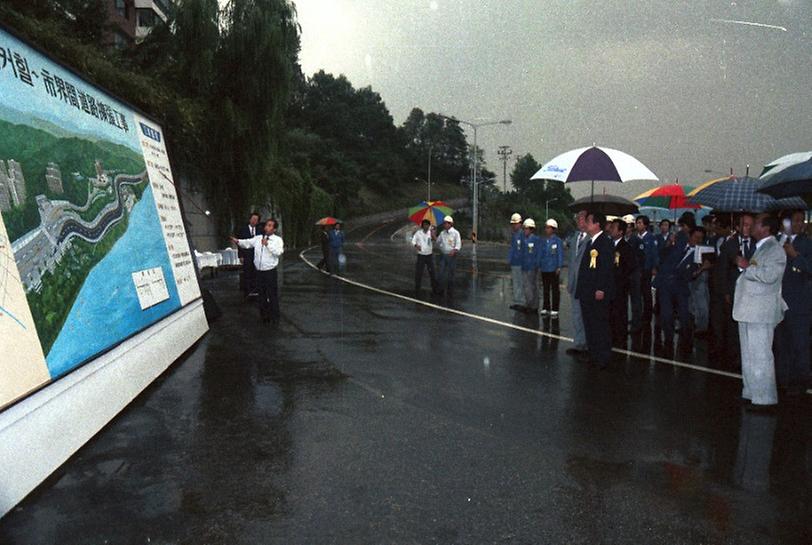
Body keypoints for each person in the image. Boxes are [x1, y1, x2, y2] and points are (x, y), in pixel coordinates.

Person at [733, 214, 787, 410]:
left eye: (755, 223)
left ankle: (765, 398)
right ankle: (751, 392)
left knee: (761, 355)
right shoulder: (761, 248)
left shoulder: (775, 249)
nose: (751, 226)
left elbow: (770, 275)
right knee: (748, 354)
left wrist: (747, 266)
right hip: (748, 309)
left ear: (765, 228)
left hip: (761, 311)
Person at [775, 210, 812, 397]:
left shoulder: (807, 243)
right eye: (795, 220)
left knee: (800, 344)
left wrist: (795, 256)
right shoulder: (776, 241)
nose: (800, 224)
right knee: (782, 344)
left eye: (801, 220)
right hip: (778, 302)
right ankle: (783, 380)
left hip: (799, 303)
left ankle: (801, 380)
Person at [654, 226, 708, 349]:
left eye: (700, 238)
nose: (698, 240)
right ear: (690, 236)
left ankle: (686, 341)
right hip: (665, 284)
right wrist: (668, 243)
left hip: (681, 286)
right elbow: (662, 255)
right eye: (696, 237)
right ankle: (668, 340)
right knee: (666, 314)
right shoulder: (678, 243)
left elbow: (692, 275)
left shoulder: (701, 254)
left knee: (684, 315)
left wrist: (701, 268)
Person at [575, 211, 615, 368]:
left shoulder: (605, 242)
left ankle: (602, 357)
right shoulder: (591, 242)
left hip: (597, 292)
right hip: (587, 292)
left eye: (589, 221)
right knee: (589, 324)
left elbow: (606, 268)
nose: (586, 224)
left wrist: (601, 288)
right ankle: (593, 355)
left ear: (597, 224)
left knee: (599, 325)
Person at [717, 213, 755, 366]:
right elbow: (723, 270)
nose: (748, 228)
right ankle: (733, 356)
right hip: (734, 289)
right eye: (745, 225)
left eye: (750, 225)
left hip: (752, 290)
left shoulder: (758, 244)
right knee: (733, 325)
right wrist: (726, 291)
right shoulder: (730, 244)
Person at [231, 218, 284, 325]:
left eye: (270, 226)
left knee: (272, 294)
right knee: (262, 294)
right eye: (266, 225)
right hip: (259, 271)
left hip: (270, 271)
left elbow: (278, 252)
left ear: (274, 229)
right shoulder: (258, 238)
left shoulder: (277, 240)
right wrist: (238, 241)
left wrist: (268, 244)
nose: (267, 227)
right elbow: (247, 243)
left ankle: (275, 316)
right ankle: (264, 316)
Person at [565, 210, 590, 356]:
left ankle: (587, 344)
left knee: (586, 314)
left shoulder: (591, 239)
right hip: (574, 283)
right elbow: (572, 261)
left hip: (586, 284)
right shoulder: (575, 237)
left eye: (581, 219)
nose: (578, 221)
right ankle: (579, 343)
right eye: (577, 218)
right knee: (576, 314)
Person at [609, 218, 635, 348]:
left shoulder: (626, 248)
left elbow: (630, 267)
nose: (611, 230)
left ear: (620, 232)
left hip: (620, 285)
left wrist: (621, 279)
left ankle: (620, 337)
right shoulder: (608, 245)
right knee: (610, 311)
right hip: (609, 284)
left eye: (613, 228)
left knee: (620, 311)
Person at [631, 215, 658, 332]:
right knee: (636, 294)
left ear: (646, 225)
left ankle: (647, 316)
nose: (638, 225)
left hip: (646, 269)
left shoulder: (651, 238)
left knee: (646, 293)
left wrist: (654, 267)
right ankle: (637, 316)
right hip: (636, 269)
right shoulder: (634, 238)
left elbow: (654, 254)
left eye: (640, 223)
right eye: (637, 223)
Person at [539, 219, 564, 317]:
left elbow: (560, 254)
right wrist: (540, 264)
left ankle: (555, 308)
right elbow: (541, 254)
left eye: (548, 228)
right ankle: (546, 307)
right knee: (545, 289)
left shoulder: (557, 241)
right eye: (546, 227)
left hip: (553, 268)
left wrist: (559, 266)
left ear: (553, 229)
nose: (546, 229)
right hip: (545, 268)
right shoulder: (543, 241)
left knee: (554, 289)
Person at [436, 215, 461, 297]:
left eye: (447, 223)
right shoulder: (442, 233)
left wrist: (454, 250)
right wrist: (433, 235)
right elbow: (437, 241)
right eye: (444, 223)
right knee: (441, 273)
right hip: (443, 255)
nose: (445, 225)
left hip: (451, 256)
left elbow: (458, 244)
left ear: (450, 224)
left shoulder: (455, 233)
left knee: (451, 273)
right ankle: (440, 290)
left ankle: (450, 291)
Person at [237, 212, 261, 297]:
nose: (254, 221)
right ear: (250, 219)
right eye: (253, 219)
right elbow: (239, 243)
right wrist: (240, 256)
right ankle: (247, 292)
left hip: (257, 255)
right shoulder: (243, 229)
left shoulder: (259, 230)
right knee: (247, 273)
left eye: (256, 220)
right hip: (246, 255)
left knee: (256, 273)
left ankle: (256, 291)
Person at [521, 218, 541, 313]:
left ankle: (533, 305)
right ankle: (529, 303)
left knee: (533, 286)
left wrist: (536, 264)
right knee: (527, 286)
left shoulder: (536, 240)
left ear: (531, 229)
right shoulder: (524, 240)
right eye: (524, 229)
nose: (525, 230)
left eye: (526, 228)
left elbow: (538, 253)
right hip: (525, 266)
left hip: (533, 267)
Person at [412, 219, 437, 294]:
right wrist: (416, 246)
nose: (426, 226)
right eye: (424, 225)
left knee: (432, 272)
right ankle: (417, 286)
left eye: (427, 225)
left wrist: (433, 234)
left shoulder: (431, 232)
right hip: (421, 255)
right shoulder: (418, 233)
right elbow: (413, 241)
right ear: (422, 226)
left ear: (429, 225)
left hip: (429, 255)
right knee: (419, 272)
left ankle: (434, 286)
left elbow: (436, 240)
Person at [507, 213, 525, 310]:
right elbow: (512, 248)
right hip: (514, 263)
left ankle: (522, 302)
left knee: (521, 283)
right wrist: (509, 259)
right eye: (513, 224)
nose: (514, 225)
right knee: (515, 283)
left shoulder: (523, 235)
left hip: (521, 263)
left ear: (520, 224)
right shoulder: (514, 235)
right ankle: (517, 301)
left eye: (515, 223)